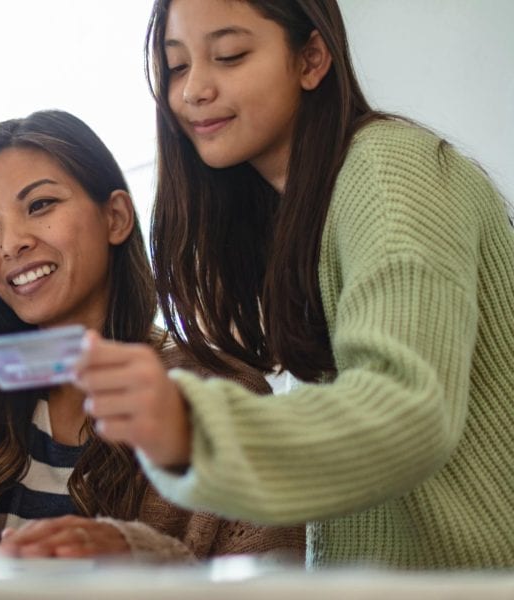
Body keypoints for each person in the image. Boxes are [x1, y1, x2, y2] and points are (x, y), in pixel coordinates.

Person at [77, 0, 514, 570]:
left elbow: (408, 409)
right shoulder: (295, 214)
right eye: (177, 66)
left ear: (311, 59)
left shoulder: (389, 172)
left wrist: (194, 426)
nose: (193, 91)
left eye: (229, 55)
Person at [0, 109, 305, 562]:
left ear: (115, 217)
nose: (10, 243)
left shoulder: (223, 393)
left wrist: (139, 558)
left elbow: (271, 577)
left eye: (40, 205)